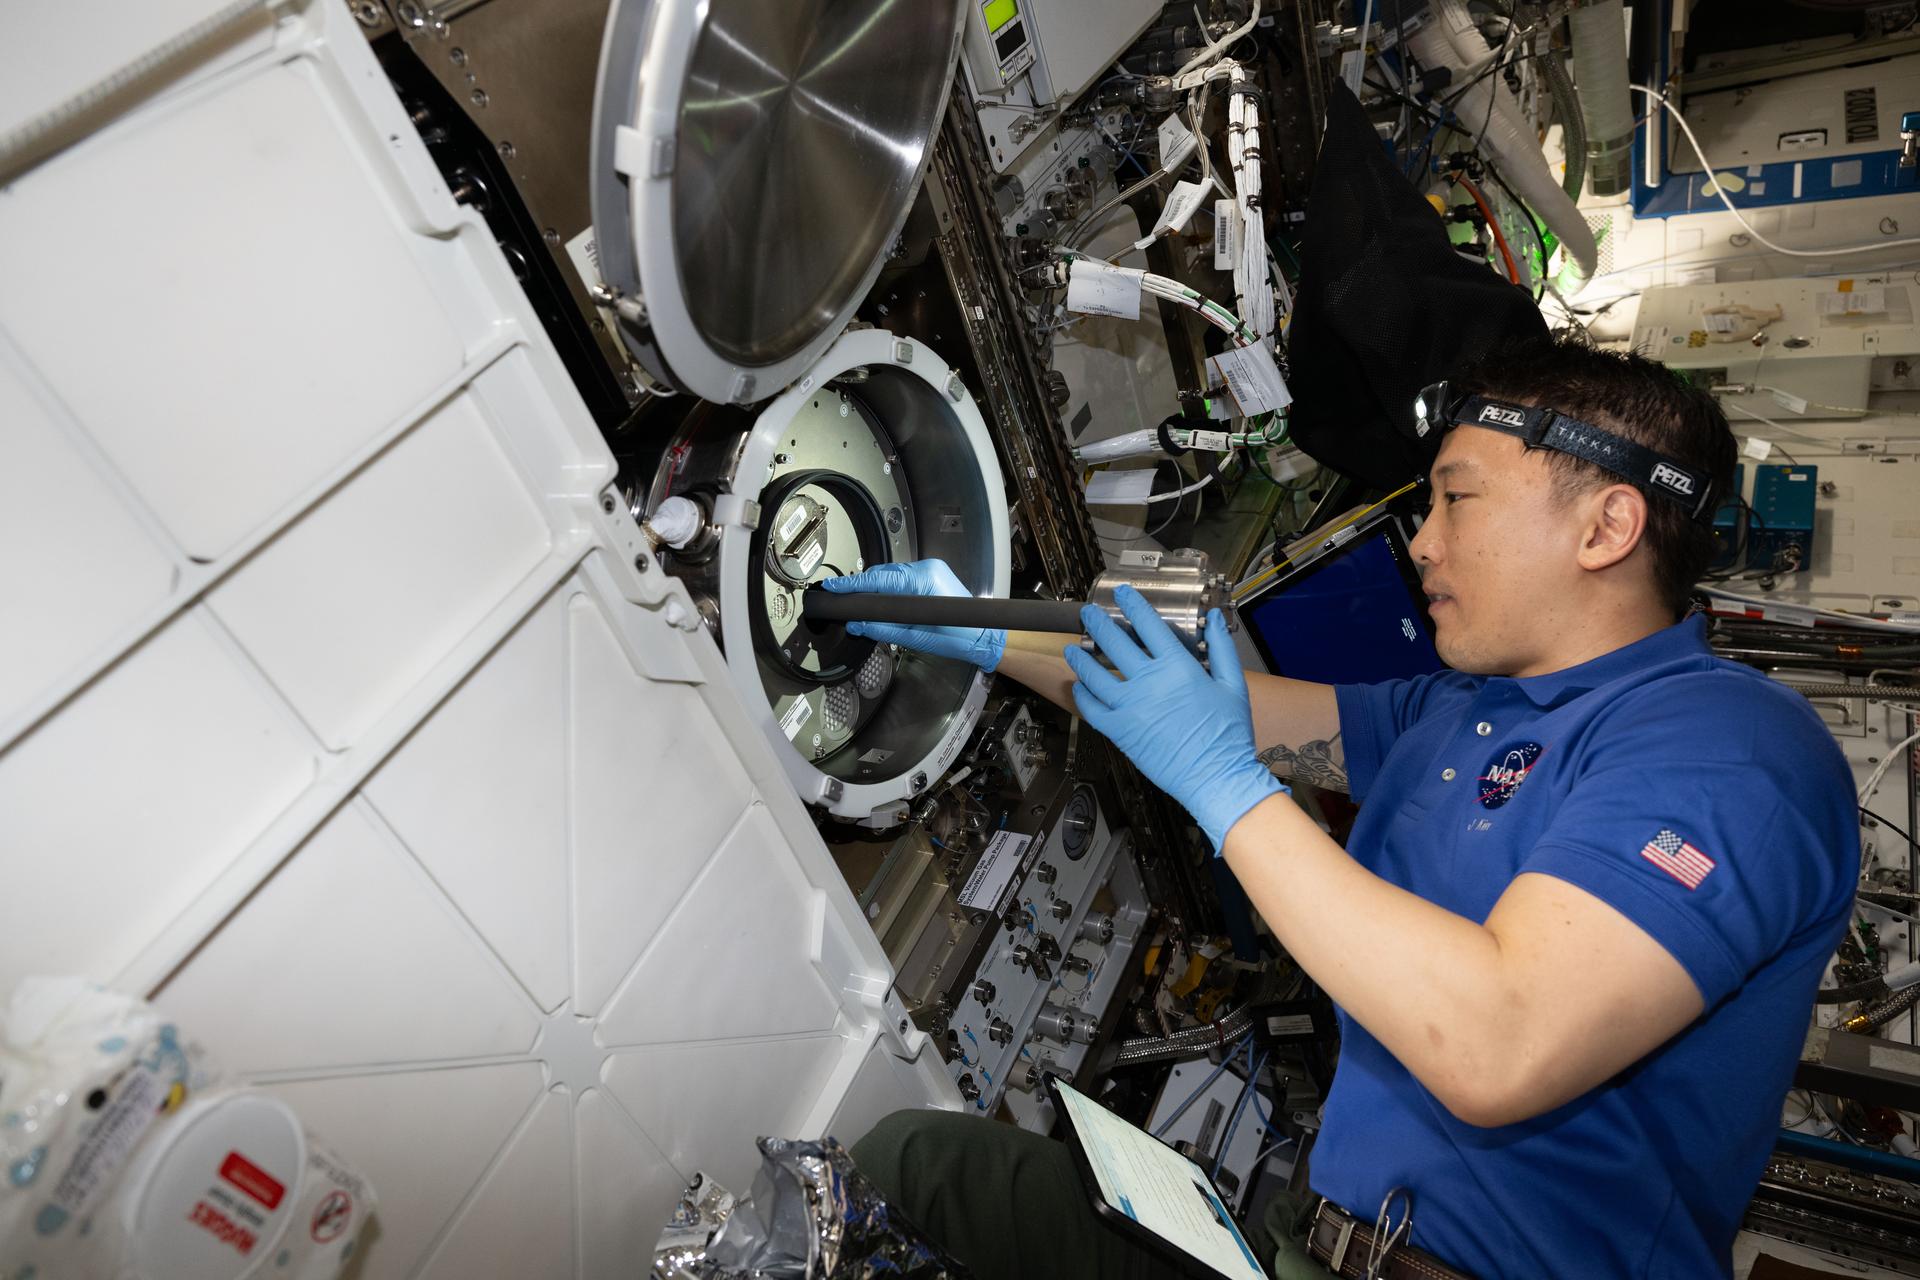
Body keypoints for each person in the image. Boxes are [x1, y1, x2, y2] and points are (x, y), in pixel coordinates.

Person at [824, 335, 1858, 1279]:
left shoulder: (1734, 749)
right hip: (1310, 1245)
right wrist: (973, 628)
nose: (1423, 542)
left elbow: (1503, 1040)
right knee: (915, 1165)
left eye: (1458, 499)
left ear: (1607, 525)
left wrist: (1224, 781)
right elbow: (1221, 709)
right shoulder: (1461, 711)